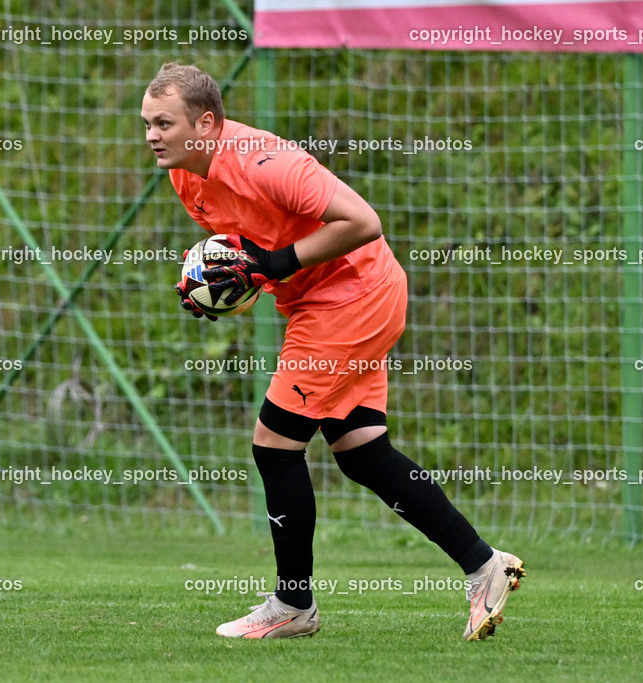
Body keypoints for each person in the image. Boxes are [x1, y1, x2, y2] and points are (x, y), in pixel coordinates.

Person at [141, 62, 524, 641]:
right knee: (362, 454)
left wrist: (269, 267)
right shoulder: (186, 175)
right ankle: (485, 565)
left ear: (207, 123)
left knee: (275, 444)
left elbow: (363, 221)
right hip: (324, 303)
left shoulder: (266, 162)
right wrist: (217, 284)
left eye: (163, 123)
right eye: (146, 123)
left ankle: (293, 605)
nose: (151, 135)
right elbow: (252, 248)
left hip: (352, 298)